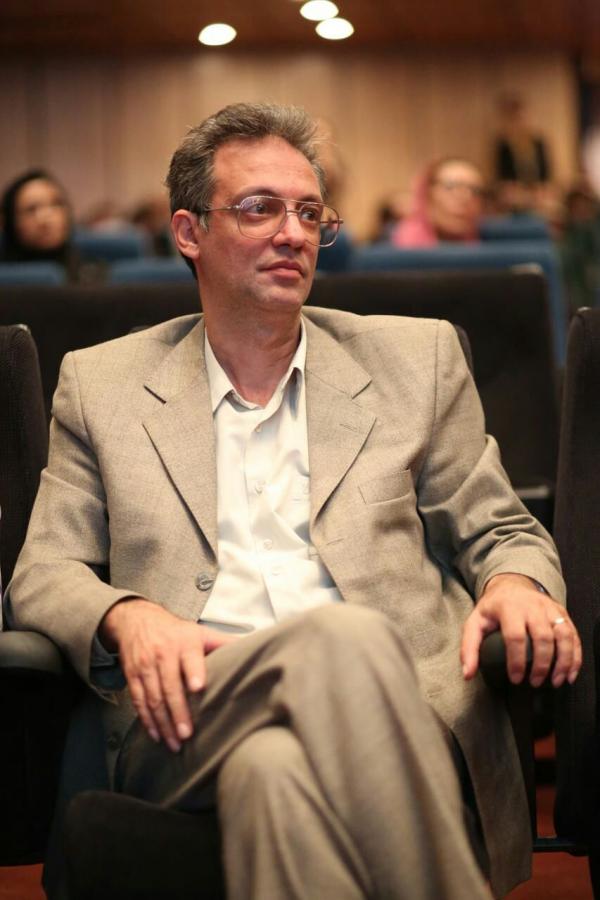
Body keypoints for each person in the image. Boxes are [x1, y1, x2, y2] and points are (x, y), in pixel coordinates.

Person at [5, 103, 580, 900]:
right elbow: (43, 571)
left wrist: (515, 582)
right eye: (260, 209)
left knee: (272, 774)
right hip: (188, 711)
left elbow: (501, 526)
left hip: (404, 703)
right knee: (343, 636)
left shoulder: (417, 361)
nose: (294, 233)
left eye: (310, 212)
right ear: (188, 232)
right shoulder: (103, 385)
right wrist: (127, 616)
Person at [0, 169, 79, 278]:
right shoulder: (6, 278)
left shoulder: (92, 272)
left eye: (55, 204)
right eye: (31, 209)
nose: (45, 218)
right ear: (12, 221)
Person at [391, 157, 485, 247]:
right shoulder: (398, 248)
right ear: (426, 193)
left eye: (475, 190)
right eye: (450, 186)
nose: (465, 197)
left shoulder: (485, 244)